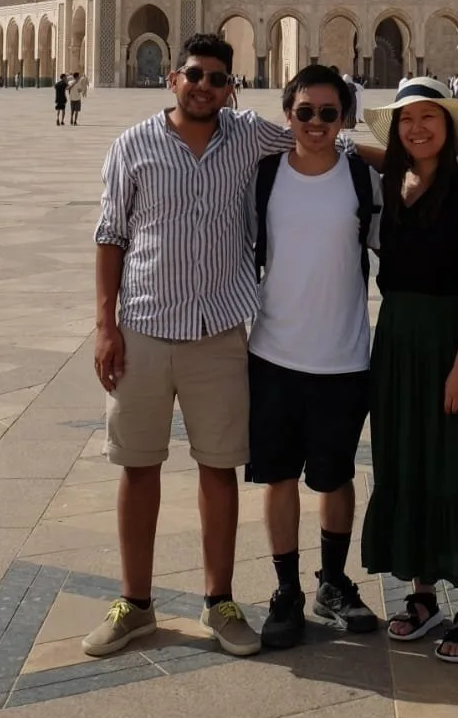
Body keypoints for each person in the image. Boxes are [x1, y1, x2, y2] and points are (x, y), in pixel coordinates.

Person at [82, 35, 307, 662]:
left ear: (230, 86)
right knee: (139, 464)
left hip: (219, 333)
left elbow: (317, 139)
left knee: (218, 466)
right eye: (194, 75)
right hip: (146, 328)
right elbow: (110, 236)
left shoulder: (246, 135)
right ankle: (136, 604)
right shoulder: (132, 145)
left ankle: (221, 601)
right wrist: (106, 325)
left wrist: (411, 155)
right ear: (172, 79)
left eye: (216, 78)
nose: (204, 85)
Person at [361, 77, 458, 662]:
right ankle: (422, 595)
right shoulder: (391, 184)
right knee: (407, 459)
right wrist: (322, 132)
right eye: (406, 119)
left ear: (451, 127)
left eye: (429, 117)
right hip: (398, 340)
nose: (418, 128)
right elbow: (352, 150)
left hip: (454, 339)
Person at [250, 65, 380, 649]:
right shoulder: (265, 174)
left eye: (329, 113)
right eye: (305, 112)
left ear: (344, 118)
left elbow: (412, 213)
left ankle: (332, 581)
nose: (317, 123)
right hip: (273, 353)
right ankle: (286, 590)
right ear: (288, 115)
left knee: (335, 478)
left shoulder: (360, 176)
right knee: (277, 478)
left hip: (344, 356)